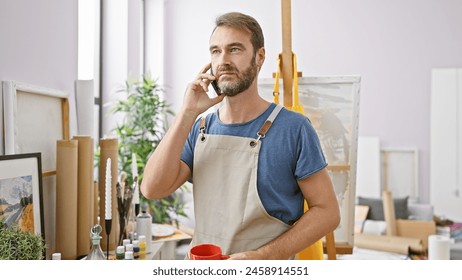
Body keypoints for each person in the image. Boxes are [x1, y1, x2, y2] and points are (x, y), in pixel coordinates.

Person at [141, 11, 340, 260]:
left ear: (259, 56)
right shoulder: (199, 128)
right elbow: (151, 188)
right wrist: (187, 112)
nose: (223, 60)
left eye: (234, 49)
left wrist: (261, 257)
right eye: (216, 51)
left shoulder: (294, 128)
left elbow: (327, 212)